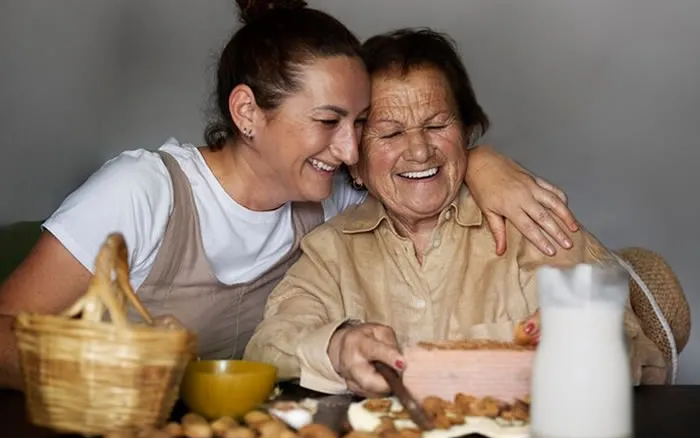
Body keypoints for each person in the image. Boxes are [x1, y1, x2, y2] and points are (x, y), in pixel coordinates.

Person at [0, 1, 578, 391]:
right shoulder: (143, 193)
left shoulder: (327, 199)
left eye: (359, 123)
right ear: (248, 112)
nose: (350, 149)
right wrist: (112, 371)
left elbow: (413, 168)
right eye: (329, 121)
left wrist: (481, 161)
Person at [243, 28, 667, 396]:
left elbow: (642, 357)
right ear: (354, 156)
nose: (419, 150)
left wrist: (581, 343)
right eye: (389, 132)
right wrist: (336, 347)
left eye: (437, 125)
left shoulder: (530, 222)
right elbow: (267, 348)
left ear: (466, 133)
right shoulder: (331, 251)